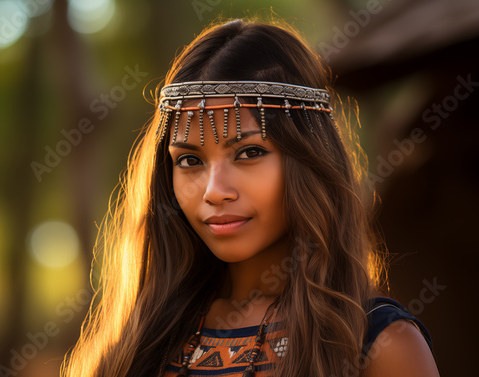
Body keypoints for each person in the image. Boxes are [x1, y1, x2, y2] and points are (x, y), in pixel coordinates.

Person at [62, 19, 440, 377]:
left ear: (308, 160)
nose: (214, 191)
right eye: (190, 160)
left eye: (248, 153)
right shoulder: (141, 340)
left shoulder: (380, 345)